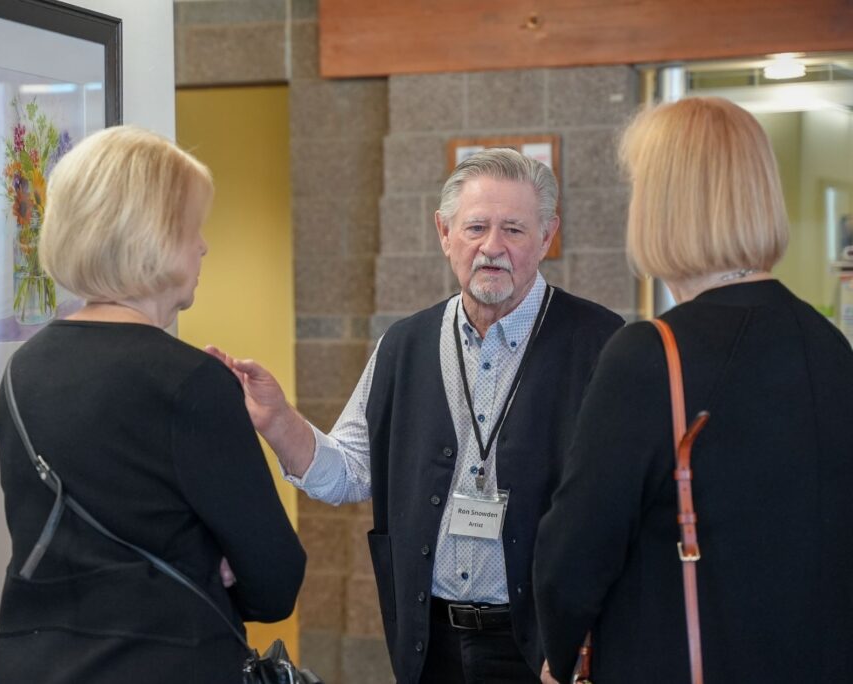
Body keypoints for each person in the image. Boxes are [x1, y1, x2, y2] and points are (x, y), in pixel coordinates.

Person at [209, 148, 623, 684]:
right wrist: (276, 419)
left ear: (547, 237)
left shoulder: (601, 344)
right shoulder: (405, 344)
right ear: (444, 232)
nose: (491, 248)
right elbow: (348, 472)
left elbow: (618, 514)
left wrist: (581, 638)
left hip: (544, 649)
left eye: (514, 230)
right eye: (475, 227)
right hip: (429, 644)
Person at [533, 97, 853, 683]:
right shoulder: (830, 345)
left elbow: (574, 556)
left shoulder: (651, 353)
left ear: (663, 205)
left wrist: (558, 656)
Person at [0, 125, 306, 683]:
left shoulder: (25, 369)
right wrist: (215, 562)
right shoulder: (192, 382)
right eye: (193, 228)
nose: (204, 245)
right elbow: (276, 581)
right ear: (152, 236)